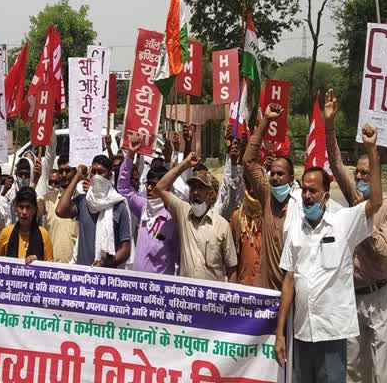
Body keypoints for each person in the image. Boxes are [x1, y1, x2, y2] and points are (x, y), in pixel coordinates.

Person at [275, 124, 385, 383]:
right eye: (304, 189)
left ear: (326, 195)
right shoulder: (295, 230)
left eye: (313, 190)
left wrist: (372, 152)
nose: (307, 195)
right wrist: (280, 332)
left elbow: (376, 202)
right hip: (302, 332)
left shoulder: (343, 222)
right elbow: (289, 281)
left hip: (332, 333)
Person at [323, 89, 387, 383]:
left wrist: (363, 220)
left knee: (381, 368)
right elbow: (336, 162)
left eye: (368, 174)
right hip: (352, 295)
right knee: (352, 366)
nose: (362, 179)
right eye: (360, 174)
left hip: (378, 295)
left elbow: (382, 250)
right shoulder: (353, 197)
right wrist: (329, 125)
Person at [233, 103, 302, 290]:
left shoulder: (301, 206)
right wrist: (266, 121)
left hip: (292, 292)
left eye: (281, 174)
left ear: (291, 179)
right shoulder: (267, 195)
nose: (275, 178)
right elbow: (248, 161)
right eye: (272, 173)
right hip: (264, 290)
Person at [154, 151, 238, 283]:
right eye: (192, 188)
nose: (196, 192)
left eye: (200, 188)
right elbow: (160, 188)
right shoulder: (183, 212)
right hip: (187, 299)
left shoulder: (222, 225)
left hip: (212, 300)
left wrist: (230, 301)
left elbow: (231, 269)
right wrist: (184, 165)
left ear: (210, 194)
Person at [118, 134, 179, 275]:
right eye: (148, 184)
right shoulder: (144, 207)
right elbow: (123, 188)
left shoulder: (174, 216)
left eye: (155, 185)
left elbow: (180, 258)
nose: (150, 189)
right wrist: (130, 154)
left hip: (161, 288)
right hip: (138, 287)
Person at [56, 155, 132, 267]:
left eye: (101, 172)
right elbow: (60, 211)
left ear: (110, 175)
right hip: (82, 274)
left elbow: (125, 251)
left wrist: (104, 263)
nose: (96, 176)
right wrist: (77, 177)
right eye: (94, 172)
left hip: (106, 277)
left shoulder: (119, 206)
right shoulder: (83, 201)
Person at [37, 150, 79, 264]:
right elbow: (31, 210)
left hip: (77, 268)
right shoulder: (48, 199)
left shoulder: (83, 200)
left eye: (68, 170)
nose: (64, 175)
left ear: (75, 172)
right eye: (61, 171)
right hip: (52, 266)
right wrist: (34, 182)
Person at [0, 187, 53, 263]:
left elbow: (50, 266)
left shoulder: (43, 234)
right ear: (16, 209)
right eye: (21, 207)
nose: (24, 212)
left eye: (28, 207)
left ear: (34, 209)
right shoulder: (6, 233)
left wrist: (38, 262)